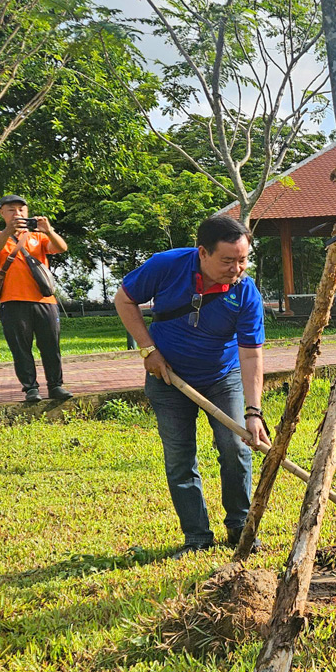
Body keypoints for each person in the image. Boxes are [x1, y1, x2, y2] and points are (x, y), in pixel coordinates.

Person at [114, 216, 269, 559]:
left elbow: (250, 354)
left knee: (236, 447)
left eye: (243, 260)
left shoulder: (245, 291)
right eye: (227, 260)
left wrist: (253, 412)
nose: (236, 269)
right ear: (202, 252)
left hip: (222, 377)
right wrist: (148, 350)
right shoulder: (166, 265)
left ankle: (240, 527)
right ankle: (197, 536)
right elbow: (123, 299)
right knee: (179, 458)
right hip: (168, 378)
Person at [0, 195, 72, 403]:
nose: (17, 213)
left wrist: (48, 230)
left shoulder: (38, 237)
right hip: (12, 301)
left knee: (51, 346)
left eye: (21, 209)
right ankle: (30, 388)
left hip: (44, 301)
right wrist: (8, 231)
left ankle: (56, 386)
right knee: (21, 348)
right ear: (2, 213)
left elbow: (61, 248)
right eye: (11, 210)